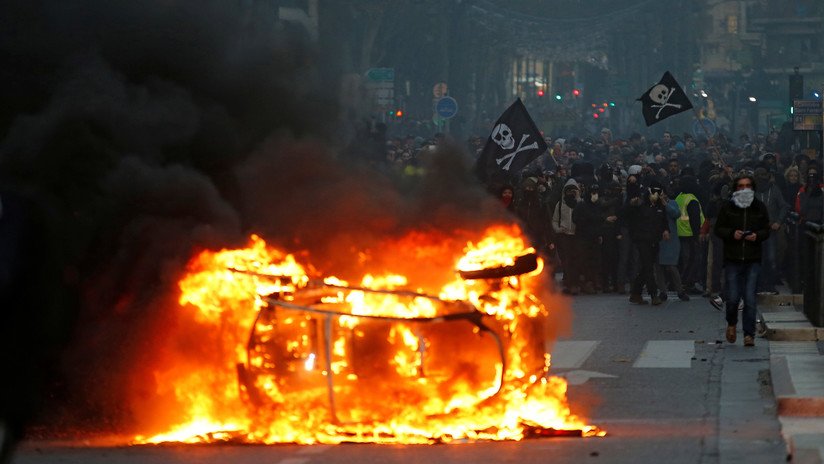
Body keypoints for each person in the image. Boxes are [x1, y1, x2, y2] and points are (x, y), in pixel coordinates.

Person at [714, 174, 770, 346]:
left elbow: (766, 229)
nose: (744, 188)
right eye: (740, 185)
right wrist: (732, 234)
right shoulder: (727, 207)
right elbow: (719, 229)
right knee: (732, 298)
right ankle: (731, 323)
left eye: (747, 185)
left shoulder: (759, 207)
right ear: (735, 188)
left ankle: (748, 334)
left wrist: (756, 236)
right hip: (733, 257)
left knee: (750, 298)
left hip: (753, 258)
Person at [624, 181, 669, 305]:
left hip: (655, 240)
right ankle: (653, 294)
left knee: (646, 268)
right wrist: (631, 205)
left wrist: (666, 230)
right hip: (642, 239)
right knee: (648, 267)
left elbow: (664, 221)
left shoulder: (660, 207)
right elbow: (627, 215)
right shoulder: (640, 205)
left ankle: (636, 293)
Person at [551, 179, 582, 294]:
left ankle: (575, 283)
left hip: (577, 235)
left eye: (573, 190)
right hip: (564, 236)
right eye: (568, 190)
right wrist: (558, 230)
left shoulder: (580, 203)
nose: (571, 193)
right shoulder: (560, 204)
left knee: (576, 260)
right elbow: (554, 220)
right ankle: (568, 284)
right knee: (566, 261)